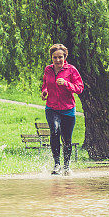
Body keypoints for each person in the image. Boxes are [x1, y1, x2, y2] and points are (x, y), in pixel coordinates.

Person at [41, 44, 84, 175]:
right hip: (52, 107)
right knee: (54, 131)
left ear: (65, 57)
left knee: (66, 139)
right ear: (51, 58)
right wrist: (44, 92)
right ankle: (56, 165)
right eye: (55, 57)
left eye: (60, 57)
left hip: (68, 109)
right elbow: (45, 85)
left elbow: (79, 88)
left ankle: (66, 166)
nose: (58, 60)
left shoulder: (71, 70)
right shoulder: (48, 70)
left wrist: (66, 84)